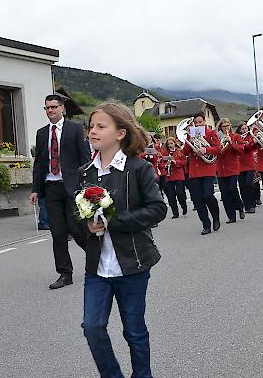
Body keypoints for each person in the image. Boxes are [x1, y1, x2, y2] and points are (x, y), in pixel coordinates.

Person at [79, 101, 166, 378]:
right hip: (97, 268)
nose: (93, 131)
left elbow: (157, 209)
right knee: (92, 327)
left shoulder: (138, 169)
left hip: (133, 264)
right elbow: (77, 217)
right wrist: (86, 227)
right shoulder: (85, 172)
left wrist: (113, 221)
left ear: (120, 133)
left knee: (134, 331)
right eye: (91, 126)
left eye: (101, 126)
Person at [30, 94, 91, 290]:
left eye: (54, 107)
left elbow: (85, 158)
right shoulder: (41, 133)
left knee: (76, 228)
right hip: (51, 186)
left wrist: (87, 185)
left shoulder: (75, 129)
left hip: (72, 186)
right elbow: (39, 162)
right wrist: (35, 189)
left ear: (62, 108)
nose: (50, 111)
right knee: (57, 232)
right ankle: (65, 274)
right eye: (47, 108)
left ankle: (96, 257)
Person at [181, 113, 221, 235]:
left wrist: (205, 150)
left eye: (200, 122)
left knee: (208, 195)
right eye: (196, 123)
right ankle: (206, 225)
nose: (198, 124)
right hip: (194, 171)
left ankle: (216, 216)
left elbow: (218, 149)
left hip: (208, 168)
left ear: (204, 122)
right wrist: (189, 139)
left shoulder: (211, 133)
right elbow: (185, 153)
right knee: (198, 200)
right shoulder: (191, 134)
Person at [216, 118, 244, 223]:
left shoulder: (236, 137)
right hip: (221, 168)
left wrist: (231, 143)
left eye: (228, 125)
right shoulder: (217, 138)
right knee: (224, 193)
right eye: (224, 126)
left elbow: (241, 150)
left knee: (232, 189)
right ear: (220, 127)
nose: (226, 128)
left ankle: (240, 206)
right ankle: (231, 216)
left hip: (232, 167)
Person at [162, 137, 188, 218]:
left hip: (179, 175)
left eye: (171, 143)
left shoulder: (179, 152)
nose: (170, 145)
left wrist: (175, 162)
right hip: (170, 176)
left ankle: (184, 206)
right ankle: (175, 213)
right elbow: (161, 164)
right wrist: (165, 165)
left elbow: (184, 162)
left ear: (174, 143)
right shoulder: (165, 153)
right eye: (168, 144)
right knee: (171, 195)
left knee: (180, 193)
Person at [236, 122, 256, 214]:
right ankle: (247, 205)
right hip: (240, 164)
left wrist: (247, 143)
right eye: (242, 129)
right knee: (242, 186)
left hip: (249, 164)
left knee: (249, 184)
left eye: (245, 128)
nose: (244, 130)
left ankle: (252, 204)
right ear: (239, 130)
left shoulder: (251, 137)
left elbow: (251, 147)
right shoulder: (237, 137)